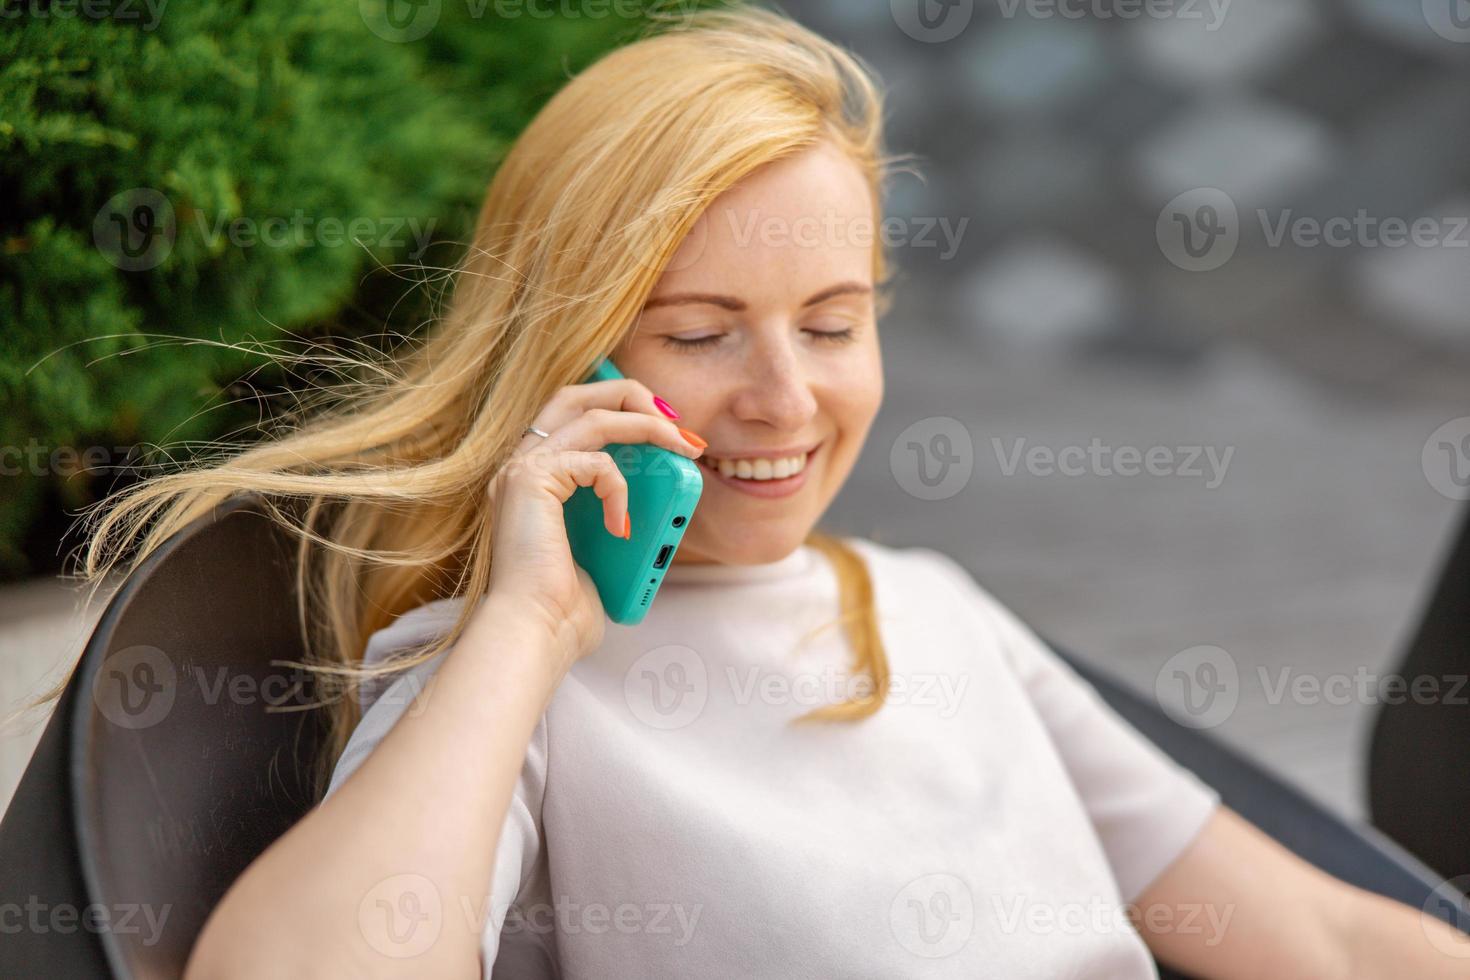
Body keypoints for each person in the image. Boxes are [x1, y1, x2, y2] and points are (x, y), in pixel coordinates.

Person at [74, 6, 1463, 978]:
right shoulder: (498, 680)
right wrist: (523, 631)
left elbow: (1326, 942)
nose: (785, 401)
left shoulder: (931, 612)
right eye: (697, 332)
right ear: (569, 357)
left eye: (832, 320)